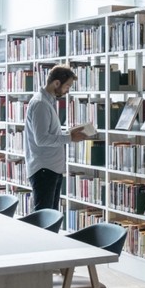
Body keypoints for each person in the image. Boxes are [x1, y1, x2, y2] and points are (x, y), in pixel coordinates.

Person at [24, 65, 88, 211]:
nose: (68, 90)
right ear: (57, 83)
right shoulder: (41, 104)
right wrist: (69, 138)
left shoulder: (49, 102)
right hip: (44, 169)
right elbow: (41, 139)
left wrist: (69, 134)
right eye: (67, 86)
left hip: (52, 168)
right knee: (44, 217)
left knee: (50, 215)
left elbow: (50, 133)